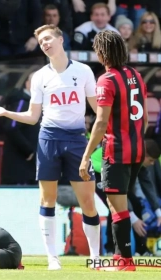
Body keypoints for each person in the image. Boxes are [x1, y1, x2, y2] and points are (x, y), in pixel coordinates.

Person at [0, 24, 100, 270]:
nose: (45, 44)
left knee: (88, 202)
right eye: (41, 42)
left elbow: (97, 108)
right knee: (47, 199)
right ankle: (52, 258)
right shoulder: (39, 76)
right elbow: (32, 116)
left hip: (76, 139)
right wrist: (6, 112)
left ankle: (95, 257)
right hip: (48, 138)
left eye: (48, 38)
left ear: (61, 39)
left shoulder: (83, 72)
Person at [79, 30, 147, 271]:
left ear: (101, 52)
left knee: (117, 205)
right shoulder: (136, 75)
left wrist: (86, 156)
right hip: (138, 149)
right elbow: (145, 118)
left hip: (116, 150)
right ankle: (122, 257)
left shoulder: (106, 80)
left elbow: (99, 122)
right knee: (119, 202)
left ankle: (124, 261)